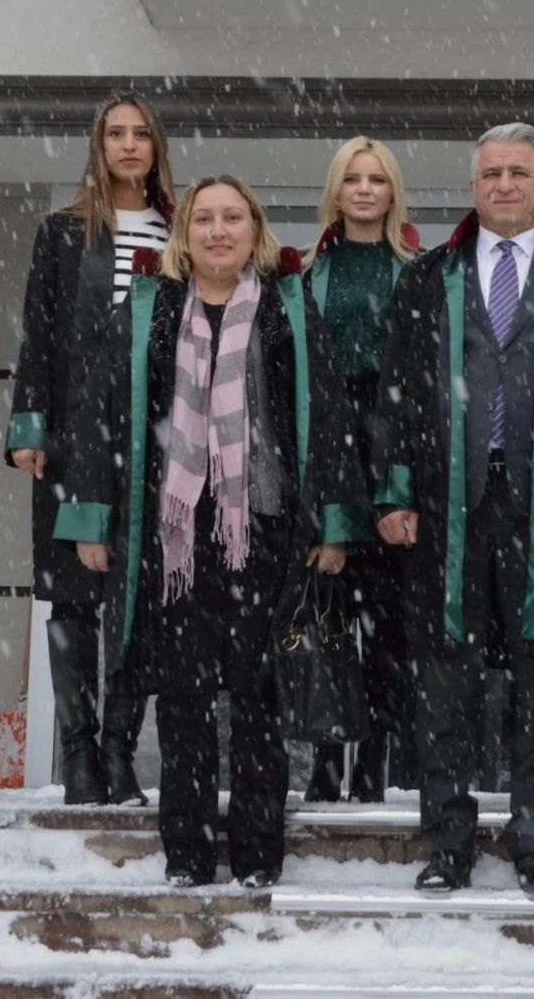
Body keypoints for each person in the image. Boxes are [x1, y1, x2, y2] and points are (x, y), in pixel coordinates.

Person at [54, 175, 366, 887]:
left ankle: (258, 855)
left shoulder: (289, 309)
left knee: (261, 700)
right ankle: (188, 855)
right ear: (184, 234)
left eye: (232, 218)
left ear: (254, 231)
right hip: (174, 541)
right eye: (204, 220)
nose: (218, 231)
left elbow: (329, 419)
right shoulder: (148, 310)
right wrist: (92, 521)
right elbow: (100, 416)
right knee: (185, 702)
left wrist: (333, 524)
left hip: (266, 534)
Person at [373, 123, 534, 896]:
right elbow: (396, 391)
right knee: (445, 676)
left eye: (520, 173)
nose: (506, 184)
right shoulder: (429, 278)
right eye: (492, 174)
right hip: (446, 504)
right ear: (473, 186)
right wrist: (394, 489)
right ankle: (448, 844)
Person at [5, 93, 176, 806]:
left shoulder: (180, 230)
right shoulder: (63, 232)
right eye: (116, 133)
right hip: (74, 440)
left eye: (141, 134)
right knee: (73, 598)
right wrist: (29, 428)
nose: (128, 144)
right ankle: (78, 756)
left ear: (157, 147)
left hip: (157, 443)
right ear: (99, 146)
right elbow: (39, 333)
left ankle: (118, 754)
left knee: (139, 602)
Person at [302, 136, 420, 804]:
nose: (366, 189)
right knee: (325, 617)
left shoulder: (420, 273)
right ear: (337, 191)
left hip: (395, 440)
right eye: (353, 178)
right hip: (325, 440)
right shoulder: (305, 272)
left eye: (377, 178)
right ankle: (325, 758)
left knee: (386, 626)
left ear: (392, 190)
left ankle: (374, 762)